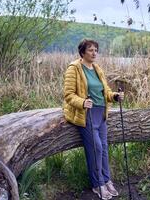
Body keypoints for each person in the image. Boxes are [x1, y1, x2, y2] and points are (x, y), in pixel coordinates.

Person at [63, 39, 124, 200]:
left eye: (96, 50)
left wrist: (114, 96)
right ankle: (97, 184)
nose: (94, 53)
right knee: (96, 148)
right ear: (82, 52)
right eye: (90, 50)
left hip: (101, 114)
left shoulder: (97, 68)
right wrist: (83, 102)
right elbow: (68, 95)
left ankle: (106, 180)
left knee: (103, 148)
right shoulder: (74, 68)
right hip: (86, 114)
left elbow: (105, 91)